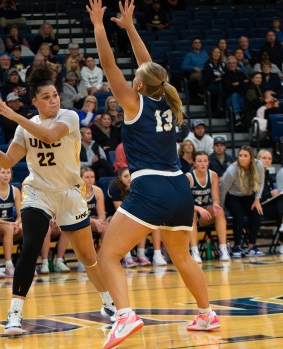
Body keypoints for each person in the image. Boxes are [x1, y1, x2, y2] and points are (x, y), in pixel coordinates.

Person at [87, 2, 219, 347]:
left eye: (136, 79)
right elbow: (150, 68)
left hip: (151, 187)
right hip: (179, 187)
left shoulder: (133, 102)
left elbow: (108, 64)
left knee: (108, 255)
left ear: (140, 86)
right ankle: (206, 313)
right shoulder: (166, 99)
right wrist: (130, 28)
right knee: (182, 256)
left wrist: (100, 26)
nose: (132, 79)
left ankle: (126, 316)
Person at [0, 59, 118, 334]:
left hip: (69, 194)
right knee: (29, 249)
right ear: (35, 101)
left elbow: (51, 137)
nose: (53, 101)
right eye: (46, 98)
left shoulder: (69, 117)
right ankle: (14, 313)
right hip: (38, 192)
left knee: (88, 256)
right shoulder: (25, 127)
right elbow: (6, 160)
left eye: (54, 96)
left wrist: (15, 116)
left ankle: (108, 302)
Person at [220, 145, 265, 258]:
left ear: (251, 158)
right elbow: (222, 191)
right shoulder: (232, 170)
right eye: (240, 155)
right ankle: (237, 246)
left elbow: (261, 182)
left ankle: (251, 246)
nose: (242, 158)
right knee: (238, 214)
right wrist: (220, 210)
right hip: (232, 195)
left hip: (248, 194)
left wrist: (257, 199)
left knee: (256, 212)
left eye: (245, 156)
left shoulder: (258, 165)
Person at [0, 166, 22, 278]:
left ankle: (27, 263)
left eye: (8, 172)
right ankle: (8, 265)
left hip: (11, 226)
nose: (6, 175)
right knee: (8, 228)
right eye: (3, 172)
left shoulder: (15, 190)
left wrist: (17, 223)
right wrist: (9, 224)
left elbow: (20, 214)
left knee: (27, 227)